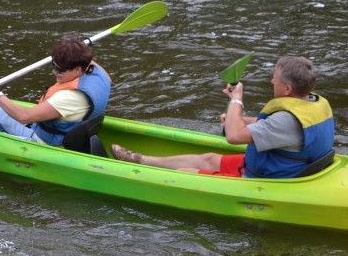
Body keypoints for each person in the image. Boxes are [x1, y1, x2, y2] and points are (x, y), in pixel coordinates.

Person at [111, 56, 334, 179]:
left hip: (269, 178)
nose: (270, 82)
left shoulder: (286, 119)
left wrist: (236, 100)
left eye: (274, 79)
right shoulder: (311, 103)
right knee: (208, 157)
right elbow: (273, 129)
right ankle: (142, 160)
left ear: (286, 89)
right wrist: (236, 117)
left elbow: (234, 137)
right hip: (282, 164)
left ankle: (133, 175)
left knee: (184, 174)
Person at [0, 35, 111, 145]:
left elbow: (24, 117)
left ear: (78, 68)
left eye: (60, 70)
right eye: (54, 66)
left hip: (44, 141)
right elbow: (82, 57)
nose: (54, 73)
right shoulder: (99, 73)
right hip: (72, 128)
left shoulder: (69, 98)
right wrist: (74, 47)